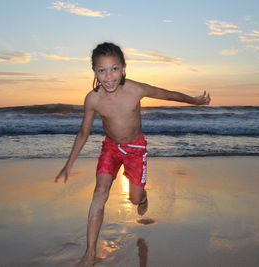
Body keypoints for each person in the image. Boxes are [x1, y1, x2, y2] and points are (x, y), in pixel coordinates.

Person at [55, 42, 210, 266]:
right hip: (111, 148)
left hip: (136, 149)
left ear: (124, 69)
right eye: (102, 70)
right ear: (95, 73)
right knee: (100, 191)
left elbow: (167, 94)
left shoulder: (136, 89)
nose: (109, 76)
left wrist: (194, 101)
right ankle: (90, 254)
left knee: (135, 198)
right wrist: (69, 164)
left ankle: (143, 196)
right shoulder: (93, 99)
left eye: (114, 69)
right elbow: (83, 132)